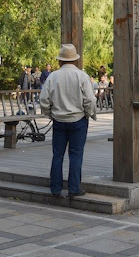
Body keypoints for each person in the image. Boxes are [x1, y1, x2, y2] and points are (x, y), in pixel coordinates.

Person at [40, 44, 97, 197]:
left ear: (60, 61)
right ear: (75, 60)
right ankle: (74, 188)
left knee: (57, 154)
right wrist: (88, 113)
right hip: (78, 119)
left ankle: (56, 188)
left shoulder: (53, 76)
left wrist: (50, 113)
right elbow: (90, 100)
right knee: (76, 155)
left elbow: (43, 99)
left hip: (59, 120)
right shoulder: (82, 76)